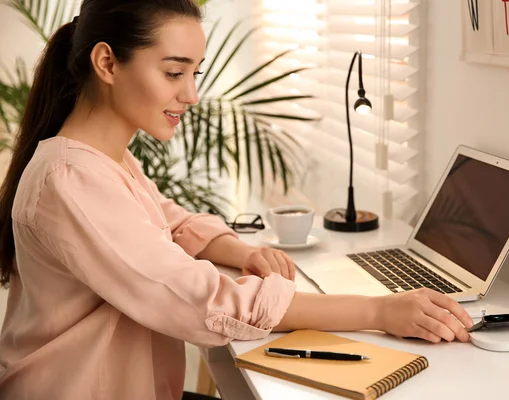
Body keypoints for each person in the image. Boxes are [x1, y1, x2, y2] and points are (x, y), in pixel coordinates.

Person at [0, 1, 473, 399]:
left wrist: (244, 252)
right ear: (106, 63)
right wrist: (379, 312)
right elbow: (204, 303)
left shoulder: (102, 159)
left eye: (194, 73)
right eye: (173, 72)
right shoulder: (70, 180)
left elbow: (169, 223)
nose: (191, 94)